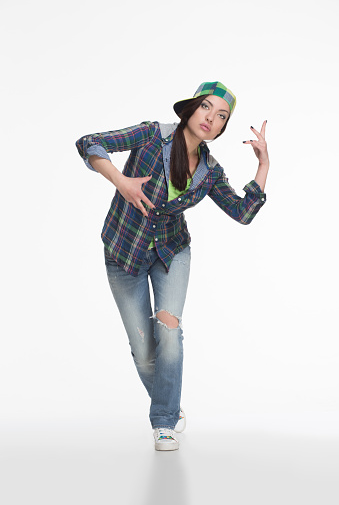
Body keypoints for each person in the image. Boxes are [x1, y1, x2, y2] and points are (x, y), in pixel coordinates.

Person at [75, 81, 269, 451]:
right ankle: (171, 404)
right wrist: (121, 181)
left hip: (171, 253)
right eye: (206, 108)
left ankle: (163, 423)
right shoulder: (152, 136)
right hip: (123, 251)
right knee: (143, 349)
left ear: (224, 127)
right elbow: (89, 142)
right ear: (191, 108)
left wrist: (263, 164)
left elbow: (243, 212)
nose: (211, 118)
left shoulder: (209, 171)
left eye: (222, 116)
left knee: (169, 334)